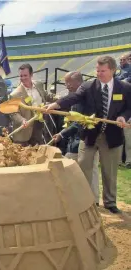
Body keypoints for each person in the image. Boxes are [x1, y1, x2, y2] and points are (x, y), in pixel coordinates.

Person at [46, 56, 131, 214]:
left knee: (109, 171)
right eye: (97, 70)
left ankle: (110, 202)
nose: (99, 74)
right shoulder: (88, 86)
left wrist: (123, 117)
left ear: (112, 70)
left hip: (112, 137)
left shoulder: (125, 87)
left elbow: (129, 107)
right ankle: (86, 201)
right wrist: (57, 104)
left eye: (103, 71)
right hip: (89, 135)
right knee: (84, 167)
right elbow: (73, 97)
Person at [51, 71, 100, 205]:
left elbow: (78, 122)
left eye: (68, 82)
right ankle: (89, 199)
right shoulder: (78, 95)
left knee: (80, 168)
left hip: (84, 139)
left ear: (77, 81)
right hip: (81, 139)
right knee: (88, 169)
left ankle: (88, 199)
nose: (66, 86)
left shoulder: (83, 96)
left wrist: (62, 134)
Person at [9, 63, 55, 146]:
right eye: (21, 76)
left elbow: (46, 96)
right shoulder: (14, 94)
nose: (23, 78)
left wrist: (59, 100)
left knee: (37, 152)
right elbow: (13, 113)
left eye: (25, 75)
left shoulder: (39, 85)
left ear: (31, 74)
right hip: (24, 130)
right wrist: (22, 120)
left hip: (38, 125)